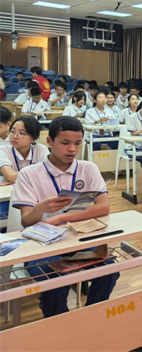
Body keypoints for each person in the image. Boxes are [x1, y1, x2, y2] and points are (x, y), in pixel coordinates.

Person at [11, 116, 118, 318]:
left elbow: (104, 207)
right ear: (49, 141)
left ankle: (91, 316)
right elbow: (26, 220)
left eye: (77, 143)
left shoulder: (88, 168)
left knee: (109, 270)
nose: (72, 149)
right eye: (65, 143)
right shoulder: (29, 174)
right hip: (42, 246)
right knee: (54, 281)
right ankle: (59, 322)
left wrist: (60, 218)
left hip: (79, 238)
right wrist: (42, 207)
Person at [0, 116, 49, 183]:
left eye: (21, 133)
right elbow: (10, 176)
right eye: (12, 131)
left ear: (33, 138)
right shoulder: (4, 150)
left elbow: (48, 173)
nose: (15, 136)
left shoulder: (41, 150)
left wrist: (16, 177)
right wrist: (37, 174)